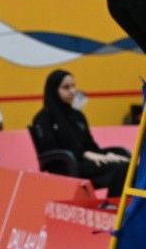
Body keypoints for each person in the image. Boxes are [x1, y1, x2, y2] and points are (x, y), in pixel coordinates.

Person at [31, 69, 130, 197]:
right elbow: (50, 148)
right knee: (121, 168)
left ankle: (131, 205)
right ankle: (113, 205)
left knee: (126, 160)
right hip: (66, 165)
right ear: (53, 90)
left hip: (85, 160)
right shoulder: (43, 118)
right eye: (66, 87)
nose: (72, 91)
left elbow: (90, 145)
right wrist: (85, 154)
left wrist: (107, 155)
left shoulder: (77, 115)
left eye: (73, 86)